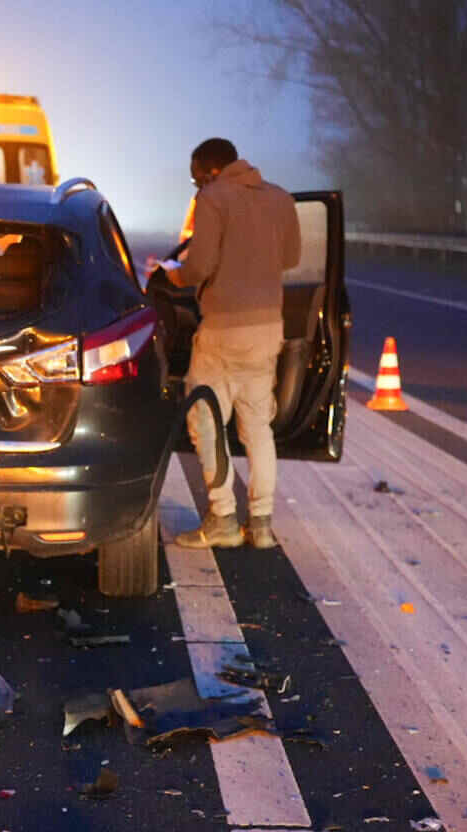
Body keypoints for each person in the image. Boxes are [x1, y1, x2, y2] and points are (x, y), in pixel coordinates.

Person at [164, 138, 300, 550]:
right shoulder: (280, 198)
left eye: (195, 177)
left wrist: (174, 274)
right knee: (258, 428)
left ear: (210, 171)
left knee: (205, 421)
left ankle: (222, 518)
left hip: (223, 330)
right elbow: (291, 258)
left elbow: (200, 265)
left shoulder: (213, 197)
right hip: (268, 329)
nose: (195, 186)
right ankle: (260, 524)